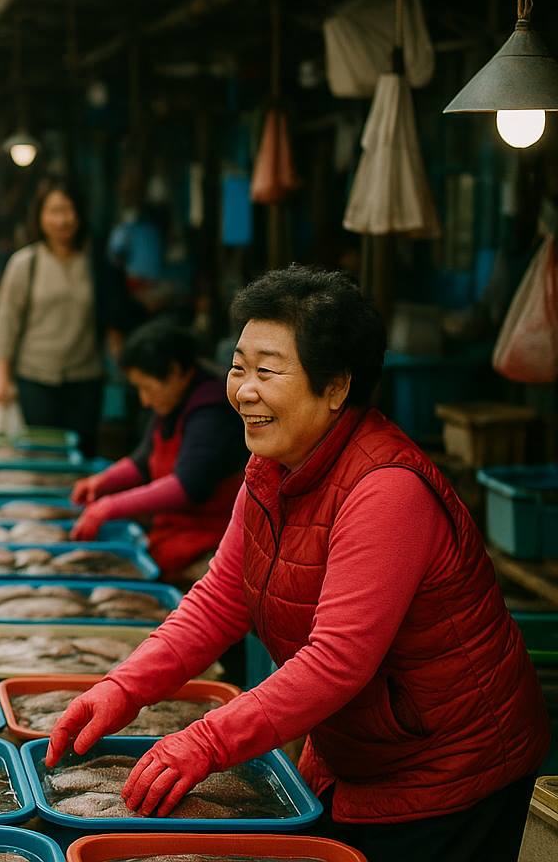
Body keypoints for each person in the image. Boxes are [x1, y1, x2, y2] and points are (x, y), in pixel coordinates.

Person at [46, 265, 547, 862]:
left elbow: (336, 662)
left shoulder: (387, 491)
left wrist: (204, 741)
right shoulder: (270, 465)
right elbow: (220, 598)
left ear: (336, 387)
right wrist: (123, 687)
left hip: (448, 768)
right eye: (238, 367)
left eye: (267, 370)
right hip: (358, 749)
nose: (244, 390)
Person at [69, 321, 248, 582]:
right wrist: (102, 481)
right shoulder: (172, 400)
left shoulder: (211, 412)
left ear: (175, 372)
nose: (144, 400)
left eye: (147, 388)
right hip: (172, 539)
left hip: (209, 549)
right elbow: (143, 461)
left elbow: (189, 485)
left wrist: (109, 507)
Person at [0, 181, 139, 457]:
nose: (61, 220)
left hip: (86, 379)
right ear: (39, 216)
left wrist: (123, 365)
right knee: (42, 455)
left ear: (80, 214)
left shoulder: (96, 263)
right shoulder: (26, 263)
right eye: (53, 211)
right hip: (36, 378)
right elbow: (6, 323)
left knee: (82, 454)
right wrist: (2, 377)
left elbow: (112, 317)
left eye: (68, 210)